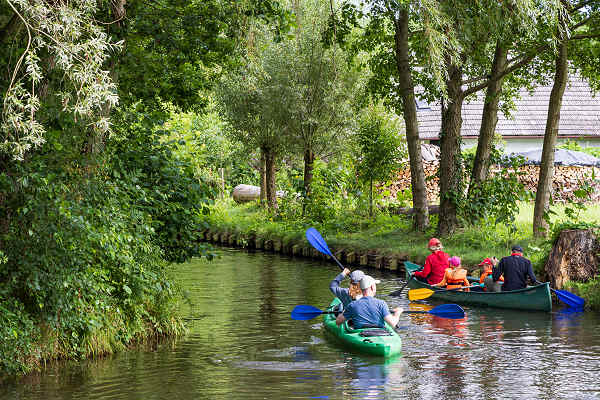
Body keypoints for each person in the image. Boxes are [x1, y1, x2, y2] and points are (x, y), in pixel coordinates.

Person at [336, 275, 403, 329]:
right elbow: (393, 324)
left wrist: (346, 311)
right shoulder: (381, 304)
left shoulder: (352, 305)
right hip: (380, 333)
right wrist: (398, 312)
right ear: (372, 287)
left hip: (360, 335)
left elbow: (338, 322)